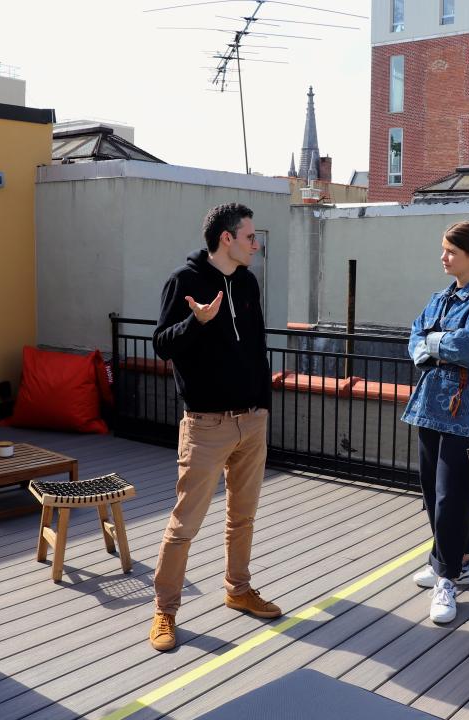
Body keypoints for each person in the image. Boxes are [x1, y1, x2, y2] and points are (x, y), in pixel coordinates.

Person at [148, 202, 281, 653]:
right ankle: (165, 611)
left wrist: (263, 405)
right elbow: (162, 345)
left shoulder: (247, 282)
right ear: (227, 238)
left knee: (242, 517)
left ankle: (238, 589)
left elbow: (258, 346)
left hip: (252, 421)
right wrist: (196, 322)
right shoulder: (183, 282)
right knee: (185, 522)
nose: (255, 244)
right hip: (206, 425)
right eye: (250, 237)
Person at [401, 220, 469, 624]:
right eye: (443, 249)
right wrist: (433, 345)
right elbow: (414, 336)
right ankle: (459, 561)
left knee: (452, 493)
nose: (442, 257)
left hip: (466, 410)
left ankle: (446, 577)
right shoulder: (441, 298)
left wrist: (434, 344)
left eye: (451, 252)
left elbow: (465, 349)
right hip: (431, 404)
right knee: (432, 488)